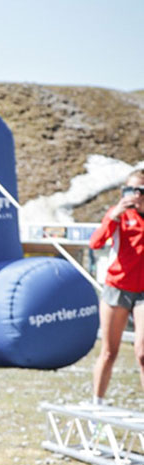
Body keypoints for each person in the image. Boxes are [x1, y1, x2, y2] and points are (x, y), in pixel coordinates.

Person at [89, 170, 144, 403]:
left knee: (142, 353)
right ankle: (96, 406)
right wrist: (114, 216)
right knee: (109, 352)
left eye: (141, 190)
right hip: (117, 287)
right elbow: (95, 243)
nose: (136, 195)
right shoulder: (119, 214)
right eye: (131, 190)